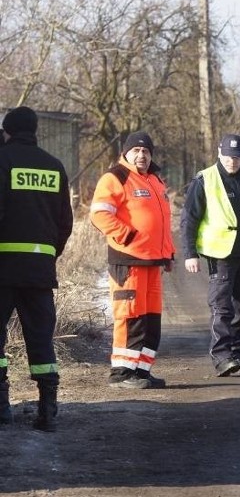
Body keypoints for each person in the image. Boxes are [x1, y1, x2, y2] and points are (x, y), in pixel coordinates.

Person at [181, 134, 240, 377]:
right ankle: (222, 357)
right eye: (227, 157)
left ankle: (235, 355)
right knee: (222, 306)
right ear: (218, 152)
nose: (232, 162)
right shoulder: (205, 178)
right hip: (220, 252)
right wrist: (190, 253)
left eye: (236, 157)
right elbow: (189, 219)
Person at [0, 107, 73, 431]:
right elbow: (64, 223)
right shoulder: (54, 167)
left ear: (7, 131)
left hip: (3, 271)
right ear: (35, 129)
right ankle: (48, 409)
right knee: (41, 340)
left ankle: (2, 408)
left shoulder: (2, 161)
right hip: (40, 272)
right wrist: (47, 255)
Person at [90, 131, 175, 390]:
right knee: (130, 317)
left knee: (151, 319)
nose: (141, 155)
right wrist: (126, 236)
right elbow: (99, 215)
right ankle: (122, 374)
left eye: (146, 152)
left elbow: (163, 222)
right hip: (128, 262)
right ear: (125, 153)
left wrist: (168, 253)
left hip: (153, 262)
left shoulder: (155, 180)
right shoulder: (115, 178)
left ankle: (141, 371)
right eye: (136, 151)